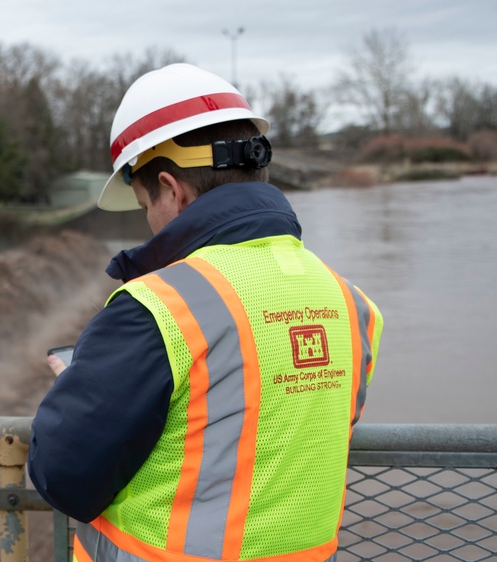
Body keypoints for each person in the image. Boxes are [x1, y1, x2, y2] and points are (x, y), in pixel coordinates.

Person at [27, 63, 383, 562]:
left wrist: (75, 388)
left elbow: (62, 477)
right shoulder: (352, 304)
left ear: (172, 191)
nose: (149, 224)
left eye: (144, 204)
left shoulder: (156, 308)